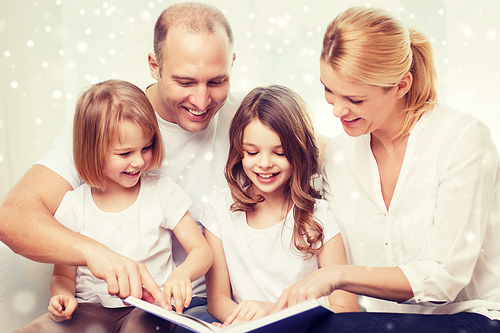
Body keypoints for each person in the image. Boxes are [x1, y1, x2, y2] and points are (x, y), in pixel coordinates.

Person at [0, 2, 240, 326]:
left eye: (216, 82)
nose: (201, 100)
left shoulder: (247, 120)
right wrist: (95, 253)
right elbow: (12, 218)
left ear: (232, 65)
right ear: (154, 65)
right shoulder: (106, 122)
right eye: (184, 82)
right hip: (95, 305)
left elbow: (313, 145)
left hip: (180, 307)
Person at [272, 6, 500, 332]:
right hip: (383, 321)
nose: (337, 109)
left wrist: (335, 275)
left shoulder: (463, 140)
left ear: (401, 85)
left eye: (355, 99)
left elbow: (442, 279)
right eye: (328, 90)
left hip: (474, 317)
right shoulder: (339, 155)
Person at [13, 80, 213, 333]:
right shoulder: (74, 205)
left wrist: (182, 273)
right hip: (88, 309)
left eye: (147, 147)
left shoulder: (162, 191)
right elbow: (63, 275)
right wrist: (62, 296)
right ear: (94, 151)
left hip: (149, 308)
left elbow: (201, 250)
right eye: (125, 153)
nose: (139, 161)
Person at [200, 85, 359, 327]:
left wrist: (273, 313)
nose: (264, 164)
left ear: (299, 152)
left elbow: (345, 309)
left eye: (280, 152)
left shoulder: (319, 216)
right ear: (239, 151)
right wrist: (240, 324)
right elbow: (218, 299)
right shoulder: (219, 208)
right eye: (252, 152)